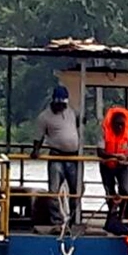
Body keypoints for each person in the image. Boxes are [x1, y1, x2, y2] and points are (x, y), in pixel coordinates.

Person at [31, 85, 81, 227]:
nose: (62, 106)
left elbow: (77, 123)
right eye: (60, 103)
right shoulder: (44, 117)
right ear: (54, 101)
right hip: (56, 156)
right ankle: (56, 220)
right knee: (54, 190)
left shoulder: (70, 112)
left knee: (76, 189)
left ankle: (74, 218)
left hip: (73, 157)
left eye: (64, 103)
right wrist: (36, 150)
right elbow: (38, 136)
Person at [98, 106, 128, 207]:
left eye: (122, 125)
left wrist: (126, 157)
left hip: (123, 166)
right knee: (109, 191)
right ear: (112, 123)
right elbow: (100, 151)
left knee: (125, 190)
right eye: (117, 124)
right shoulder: (105, 130)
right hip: (107, 166)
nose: (120, 127)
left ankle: (122, 213)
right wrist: (114, 156)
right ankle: (111, 212)